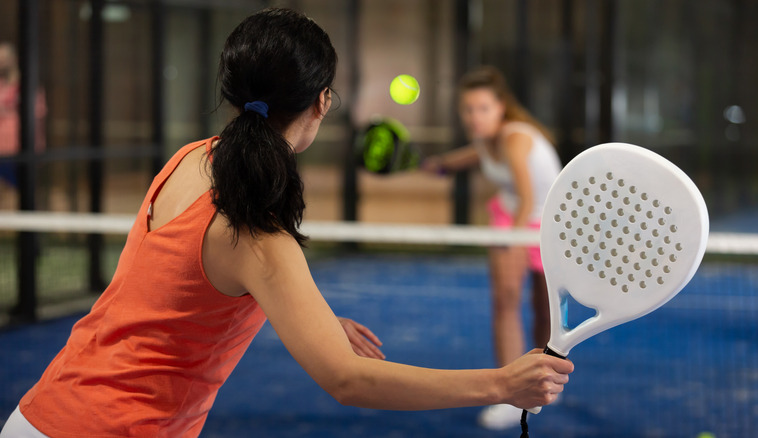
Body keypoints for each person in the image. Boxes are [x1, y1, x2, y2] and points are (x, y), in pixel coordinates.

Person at [0, 10, 572, 437]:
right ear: (322, 102)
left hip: (38, 414)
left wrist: (312, 314)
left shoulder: (189, 158)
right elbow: (348, 381)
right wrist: (500, 383)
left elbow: (189, 288)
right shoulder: (258, 229)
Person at [422, 66, 563, 430]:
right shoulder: (484, 140)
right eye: (468, 109)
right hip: (510, 215)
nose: (475, 116)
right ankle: (511, 394)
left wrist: (514, 240)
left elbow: (529, 195)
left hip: (548, 225)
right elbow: (461, 160)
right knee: (505, 300)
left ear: (501, 107)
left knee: (545, 314)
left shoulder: (515, 138)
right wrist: (436, 166)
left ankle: (543, 382)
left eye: (483, 108)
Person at [0, 42, 46, 193]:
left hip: (19, 148)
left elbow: (38, 112)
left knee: (21, 192)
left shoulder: (27, 85)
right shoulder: (2, 85)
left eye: (4, 58)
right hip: (2, 148)